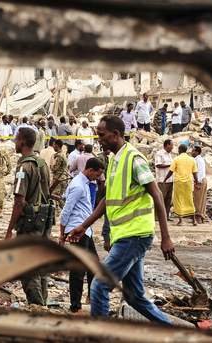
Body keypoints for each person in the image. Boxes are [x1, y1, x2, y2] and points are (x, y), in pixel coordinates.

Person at [67, 115, 174, 324]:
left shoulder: (134, 159)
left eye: (102, 135)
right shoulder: (115, 160)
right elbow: (108, 200)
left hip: (134, 235)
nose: (99, 139)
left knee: (99, 284)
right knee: (135, 297)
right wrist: (83, 226)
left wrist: (166, 237)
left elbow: (157, 195)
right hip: (124, 235)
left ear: (116, 134)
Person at [5, 127, 53, 306]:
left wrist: (9, 231)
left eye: (16, 140)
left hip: (30, 225)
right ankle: (43, 304)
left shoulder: (24, 167)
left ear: (23, 142)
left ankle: (37, 307)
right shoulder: (42, 163)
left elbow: (19, 202)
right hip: (43, 224)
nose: (15, 143)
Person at [59, 157, 104, 313]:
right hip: (77, 230)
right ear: (90, 170)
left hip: (85, 230)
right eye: (97, 175)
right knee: (79, 269)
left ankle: (92, 298)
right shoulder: (78, 185)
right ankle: (75, 305)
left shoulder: (85, 183)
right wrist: (62, 234)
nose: (97, 178)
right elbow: (66, 210)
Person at [164, 144, 199, 226]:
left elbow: (171, 171)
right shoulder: (192, 160)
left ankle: (180, 221)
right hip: (188, 182)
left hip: (178, 182)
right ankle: (194, 220)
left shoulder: (176, 159)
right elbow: (195, 173)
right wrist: (197, 182)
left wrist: (165, 179)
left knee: (178, 200)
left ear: (179, 150)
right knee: (189, 199)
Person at [154, 139, 174, 221]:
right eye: (171, 145)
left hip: (170, 180)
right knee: (161, 199)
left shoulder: (169, 155)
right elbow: (158, 165)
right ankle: (157, 217)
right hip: (162, 180)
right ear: (167, 145)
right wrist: (170, 165)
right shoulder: (160, 154)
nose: (172, 147)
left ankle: (166, 216)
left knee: (168, 200)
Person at [50, 139, 69, 212]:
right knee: (59, 195)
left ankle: (65, 209)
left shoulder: (59, 156)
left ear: (57, 145)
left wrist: (51, 166)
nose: (53, 146)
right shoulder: (63, 154)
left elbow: (55, 168)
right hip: (63, 178)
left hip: (58, 179)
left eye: (54, 145)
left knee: (54, 195)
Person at [191, 146, 208, 222]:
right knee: (200, 199)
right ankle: (200, 217)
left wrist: (197, 182)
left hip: (200, 181)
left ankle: (198, 217)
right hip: (200, 180)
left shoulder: (199, 160)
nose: (192, 152)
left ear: (197, 152)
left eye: (193, 151)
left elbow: (200, 172)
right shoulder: (197, 159)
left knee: (198, 199)